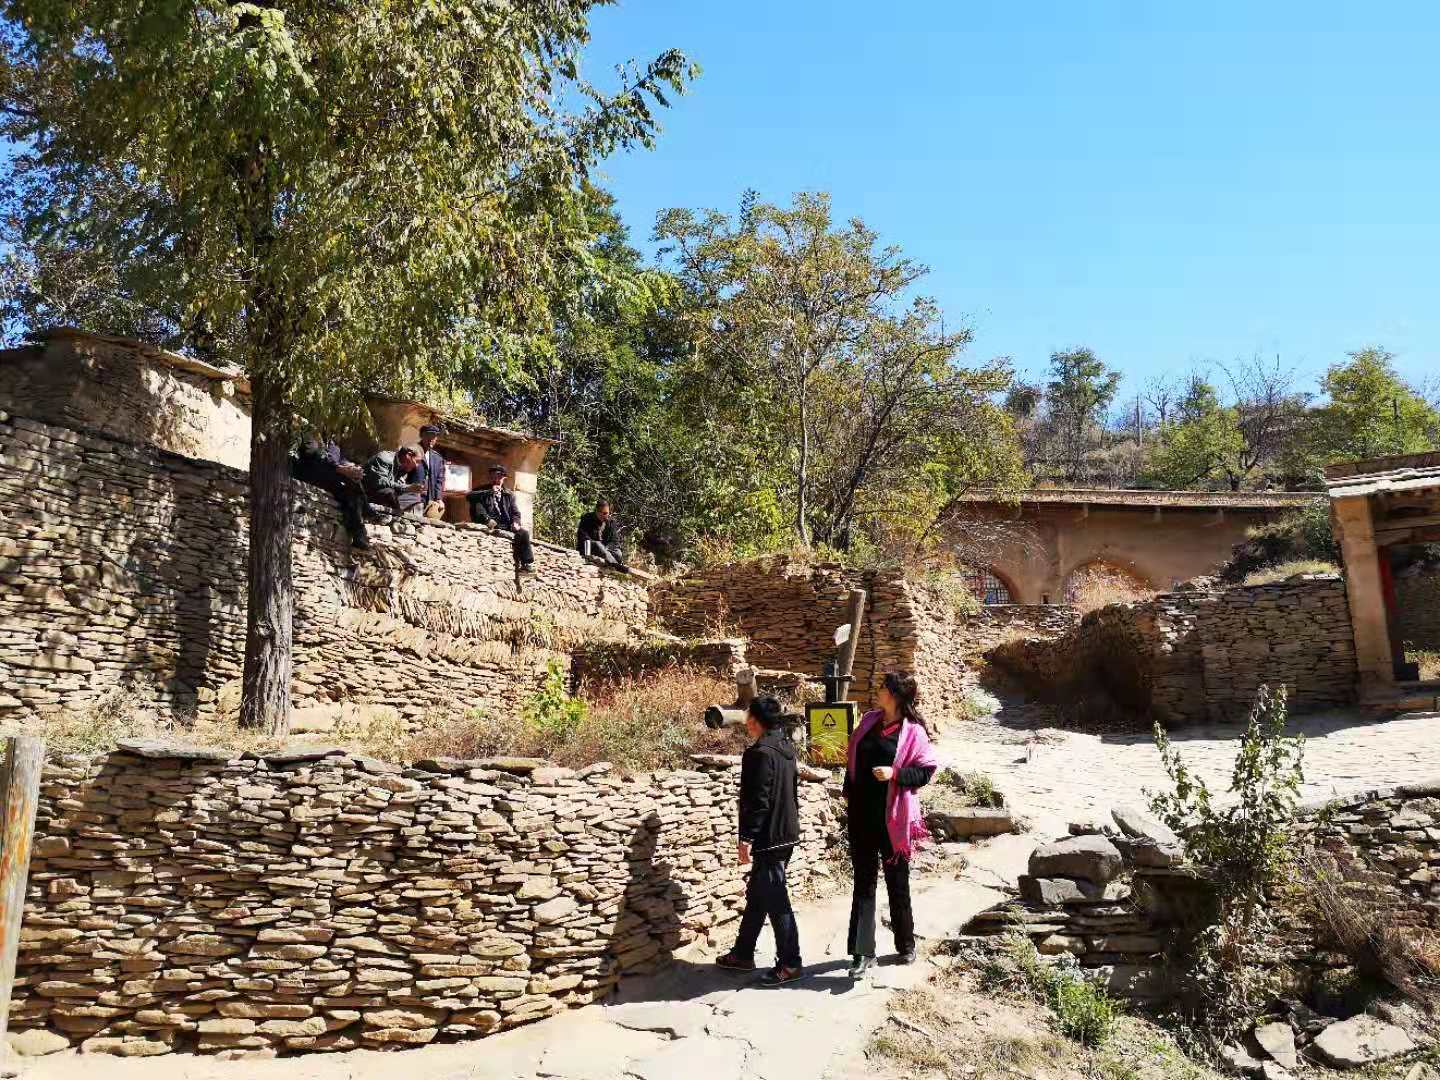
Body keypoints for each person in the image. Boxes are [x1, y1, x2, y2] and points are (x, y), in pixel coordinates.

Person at [843, 671, 937, 978]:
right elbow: (852, 759)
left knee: (898, 882)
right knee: (864, 884)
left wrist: (895, 774)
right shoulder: (869, 721)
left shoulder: (913, 732)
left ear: (894, 695)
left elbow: (924, 772)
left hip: (893, 821)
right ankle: (861, 952)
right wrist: (849, 794)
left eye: (882, 687)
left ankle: (905, 943)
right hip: (862, 818)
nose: (877, 690)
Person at [715, 696, 803, 986]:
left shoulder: (760, 754)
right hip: (786, 832)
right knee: (758, 894)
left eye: (748, 718)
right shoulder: (787, 748)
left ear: (754, 720)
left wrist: (747, 838)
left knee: (777, 901)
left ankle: (790, 963)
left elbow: (759, 801)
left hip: (768, 836)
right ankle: (743, 953)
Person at [292, 435, 370, 549]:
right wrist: (341, 469)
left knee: (352, 492)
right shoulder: (312, 436)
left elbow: (340, 460)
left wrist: (351, 466)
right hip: (311, 473)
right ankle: (366, 513)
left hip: (329, 477)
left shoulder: (333, 444)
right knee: (349, 482)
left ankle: (359, 534)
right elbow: (315, 458)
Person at [466, 464, 535, 573]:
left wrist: (516, 522)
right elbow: (469, 496)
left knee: (523, 533)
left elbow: (516, 512)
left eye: (498, 477)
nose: (495, 479)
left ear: (503, 478)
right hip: (488, 521)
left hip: (504, 524)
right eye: (493, 476)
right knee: (477, 502)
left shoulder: (508, 494)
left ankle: (527, 564)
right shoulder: (481, 490)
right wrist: (489, 492)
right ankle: (487, 520)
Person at [363, 445, 425, 517]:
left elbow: (397, 487)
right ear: (408, 455)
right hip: (367, 492)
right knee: (389, 492)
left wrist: (411, 489)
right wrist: (406, 487)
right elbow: (381, 482)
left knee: (414, 497)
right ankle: (397, 517)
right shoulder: (385, 458)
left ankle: (411, 520)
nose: (417, 466)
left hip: (385, 494)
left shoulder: (402, 467)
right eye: (417, 461)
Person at [575, 498, 627, 569]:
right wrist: (597, 545)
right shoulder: (587, 518)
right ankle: (616, 566)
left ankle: (615, 564)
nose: (606, 515)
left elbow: (615, 541)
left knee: (618, 553)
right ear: (597, 512)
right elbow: (582, 536)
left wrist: (606, 548)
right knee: (598, 545)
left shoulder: (611, 522)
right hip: (590, 547)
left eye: (607, 513)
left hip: (605, 549)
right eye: (603, 513)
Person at [416, 423, 448, 521]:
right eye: (428, 435)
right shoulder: (412, 451)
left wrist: (438, 498)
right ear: (421, 436)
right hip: (413, 497)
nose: (431, 439)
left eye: (434, 436)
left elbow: (439, 480)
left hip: (429, 499)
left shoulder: (437, 458)